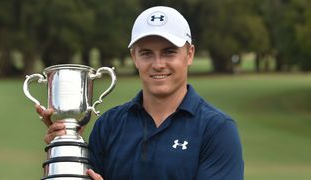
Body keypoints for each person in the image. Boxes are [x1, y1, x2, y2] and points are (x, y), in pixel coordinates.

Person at [37, 6, 244, 180]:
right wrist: (65, 148)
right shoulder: (108, 126)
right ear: (134, 57)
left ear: (189, 54)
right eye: (146, 53)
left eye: (169, 52)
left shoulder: (217, 130)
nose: (158, 64)